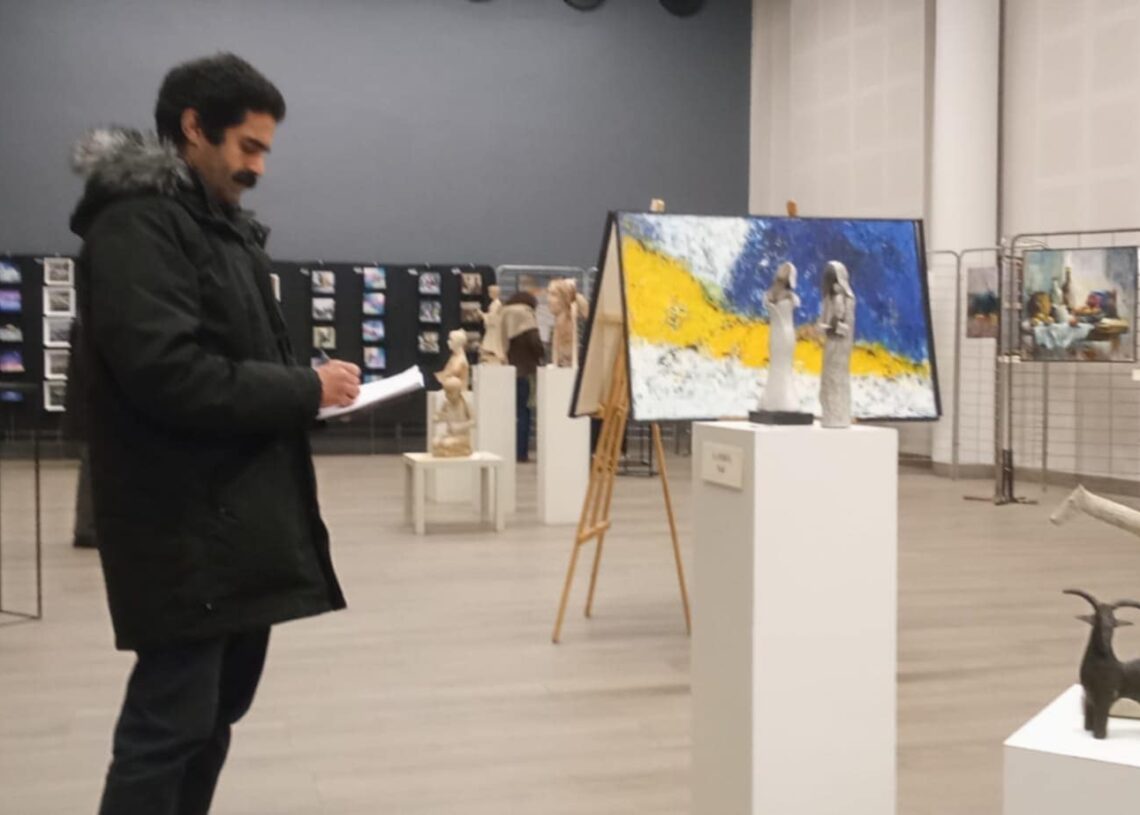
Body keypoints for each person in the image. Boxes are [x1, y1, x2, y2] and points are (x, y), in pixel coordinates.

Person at [69, 53, 361, 815]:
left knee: (210, 721)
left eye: (267, 150)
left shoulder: (218, 226)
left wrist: (306, 386)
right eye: (248, 147)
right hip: (183, 530)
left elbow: (234, 359)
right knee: (167, 727)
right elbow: (167, 372)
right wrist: (303, 388)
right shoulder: (138, 222)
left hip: (234, 529)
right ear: (193, 128)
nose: (259, 166)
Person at [500, 291, 544, 462]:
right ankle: (521, 452)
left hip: (507, 370)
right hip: (526, 371)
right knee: (524, 412)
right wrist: (541, 354)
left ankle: (508, 449)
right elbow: (535, 344)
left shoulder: (504, 313)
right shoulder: (526, 316)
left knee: (511, 412)